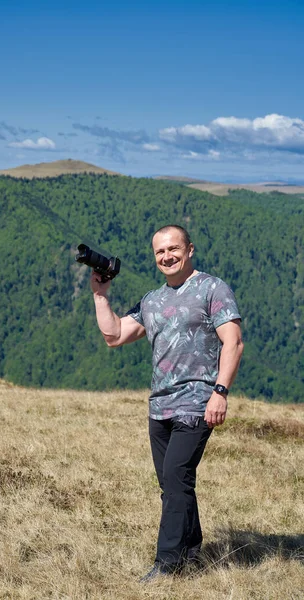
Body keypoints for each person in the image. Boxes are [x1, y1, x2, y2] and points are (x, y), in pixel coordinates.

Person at [90, 224, 244, 580]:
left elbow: (233, 342)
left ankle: (167, 563)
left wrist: (219, 392)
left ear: (190, 250)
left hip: (197, 401)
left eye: (173, 249)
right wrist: (101, 295)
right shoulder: (152, 300)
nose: (167, 256)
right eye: (160, 252)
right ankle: (191, 556)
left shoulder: (211, 288)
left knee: (176, 477)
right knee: (174, 485)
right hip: (159, 406)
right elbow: (114, 335)